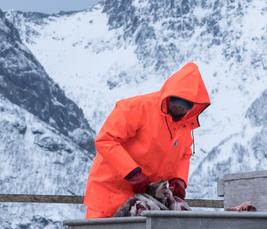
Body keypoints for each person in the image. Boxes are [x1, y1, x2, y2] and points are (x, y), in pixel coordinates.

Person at [83, 63, 211, 219]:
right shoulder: (136, 108)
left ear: (194, 106)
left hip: (145, 203)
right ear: (168, 96)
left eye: (185, 106)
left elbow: (185, 153)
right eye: (176, 103)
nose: (180, 109)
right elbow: (106, 140)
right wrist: (132, 173)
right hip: (108, 198)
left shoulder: (184, 127)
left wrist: (179, 179)